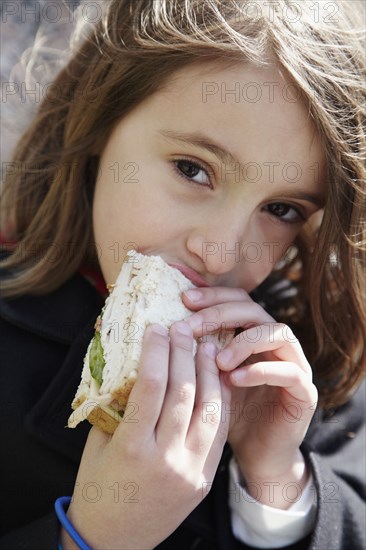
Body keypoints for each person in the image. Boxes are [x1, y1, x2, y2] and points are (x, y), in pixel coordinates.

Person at [0, 1, 365, 549]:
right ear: (98, 120)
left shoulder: (315, 362)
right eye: (193, 170)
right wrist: (94, 538)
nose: (219, 254)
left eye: (282, 209)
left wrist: (274, 476)